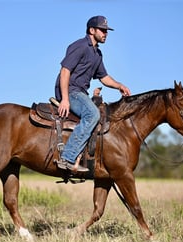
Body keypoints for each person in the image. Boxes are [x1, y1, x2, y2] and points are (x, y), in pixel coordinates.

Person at [54, 15, 131, 172]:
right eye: (102, 30)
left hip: (80, 92)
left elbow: (103, 77)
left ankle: (85, 159)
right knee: (93, 114)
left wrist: (119, 86)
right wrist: (65, 99)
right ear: (92, 30)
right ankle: (67, 158)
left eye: (106, 31)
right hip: (71, 90)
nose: (105, 33)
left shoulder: (97, 54)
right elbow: (65, 71)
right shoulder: (80, 46)